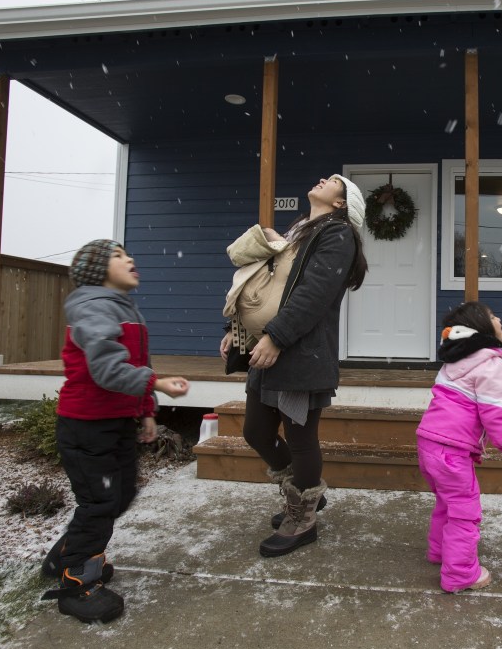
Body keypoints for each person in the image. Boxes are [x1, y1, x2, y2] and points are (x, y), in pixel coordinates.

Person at [40, 239, 190, 623]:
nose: (131, 259)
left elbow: (136, 363)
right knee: (100, 502)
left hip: (116, 422)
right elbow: (106, 370)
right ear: (97, 270)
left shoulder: (126, 310)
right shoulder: (93, 309)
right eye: (119, 256)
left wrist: (147, 412)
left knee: (121, 495)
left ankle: (68, 553)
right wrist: (156, 383)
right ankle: (77, 582)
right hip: (86, 425)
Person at [220, 174, 368, 557]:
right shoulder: (302, 229)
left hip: (301, 352)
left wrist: (276, 337)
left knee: (301, 440)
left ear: (341, 203)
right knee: (256, 431)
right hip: (268, 346)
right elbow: (265, 286)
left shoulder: (337, 236)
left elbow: (313, 294)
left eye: (334, 181)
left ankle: (302, 517)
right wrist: (236, 330)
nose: (323, 179)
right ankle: (303, 495)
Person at [415, 301, 502, 593]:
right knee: (464, 512)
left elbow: (457, 409)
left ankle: (440, 552)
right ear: (482, 329)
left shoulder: (456, 361)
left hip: (428, 442)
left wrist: (470, 447)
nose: (500, 319)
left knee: (448, 503)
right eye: (494, 317)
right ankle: (460, 574)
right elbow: (493, 413)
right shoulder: (489, 364)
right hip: (450, 450)